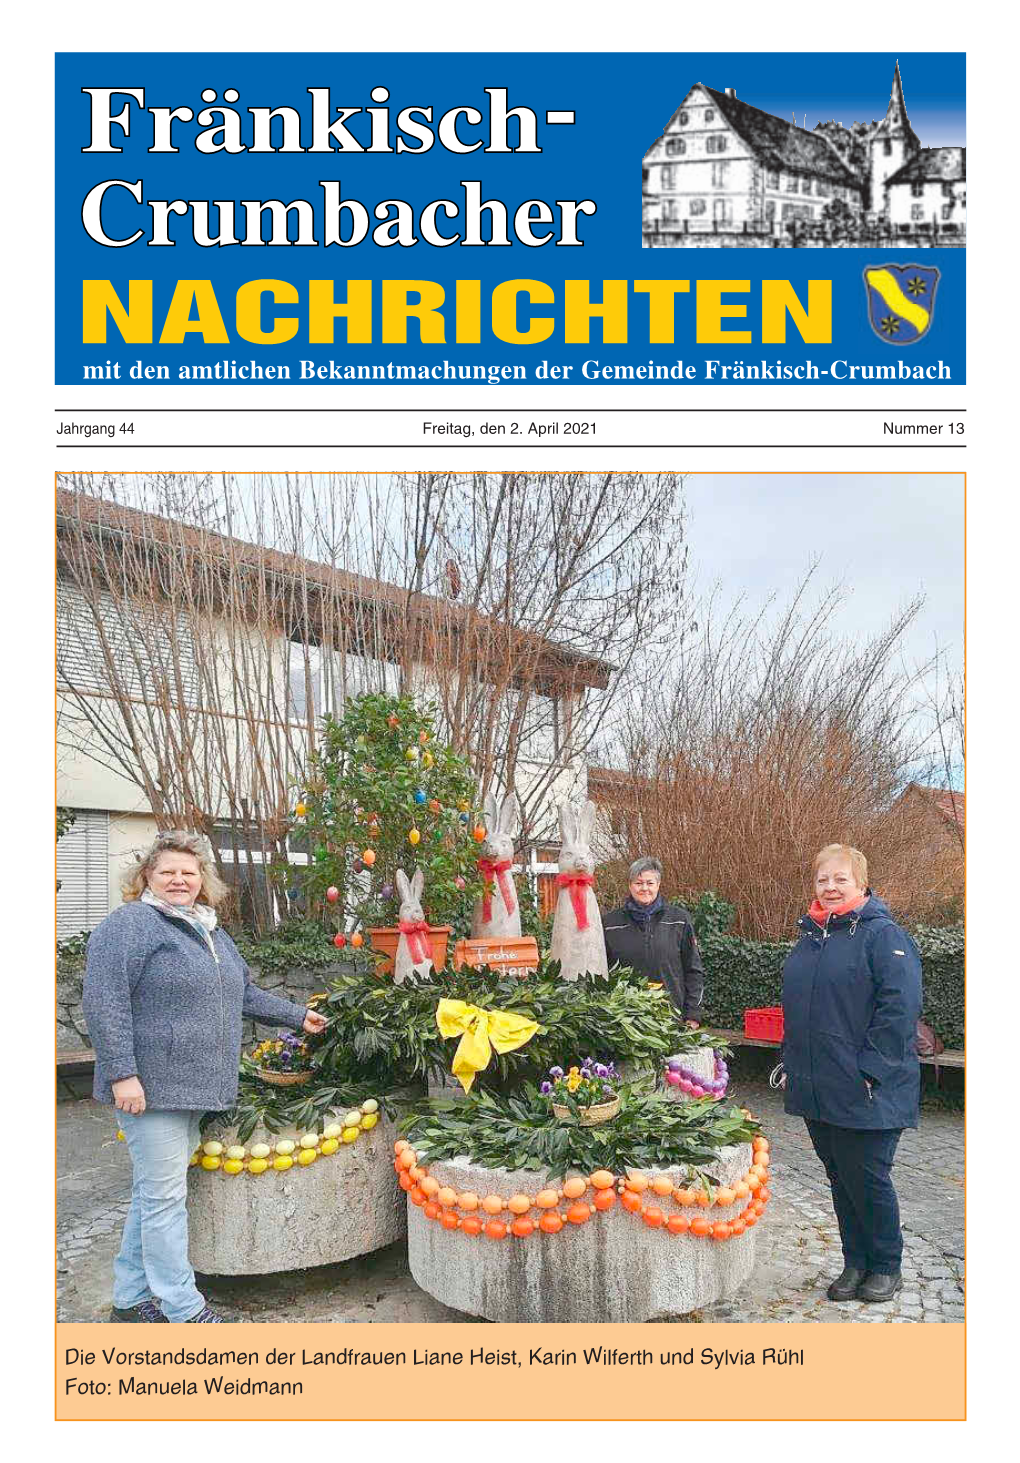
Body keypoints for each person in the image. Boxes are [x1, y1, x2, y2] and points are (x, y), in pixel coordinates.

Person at [82, 830, 327, 1324]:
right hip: (151, 1088)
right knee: (164, 1198)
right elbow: (103, 999)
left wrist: (298, 1016)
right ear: (147, 876)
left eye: (188, 873)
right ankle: (183, 1308)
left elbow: (245, 995)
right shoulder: (132, 924)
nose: (178, 879)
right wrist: (122, 1075)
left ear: (202, 881)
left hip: (195, 1086)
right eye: (167, 871)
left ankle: (130, 1299)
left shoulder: (210, 931)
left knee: (155, 1193)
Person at [781, 843, 922, 1304]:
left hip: (867, 1088)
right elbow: (799, 1011)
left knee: (869, 1177)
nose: (830, 887)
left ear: (861, 883)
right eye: (823, 879)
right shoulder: (811, 937)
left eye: (841, 879)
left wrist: (871, 1072)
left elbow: (899, 1012)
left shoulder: (885, 937)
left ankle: (886, 1264)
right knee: (840, 1177)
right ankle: (855, 1261)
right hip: (818, 1084)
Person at [602, 857, 704, 1026]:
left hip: (671, 1018)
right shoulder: (610, 924)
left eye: (650, 883)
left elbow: (693, 970)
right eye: (638, 883)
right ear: (630, 885)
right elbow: (601, 971)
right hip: (624, 1020)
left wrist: (692, 1015)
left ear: (658, 885)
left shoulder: (679, 920)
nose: (644, 888)